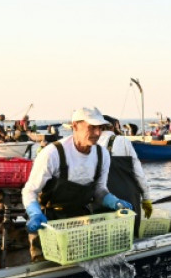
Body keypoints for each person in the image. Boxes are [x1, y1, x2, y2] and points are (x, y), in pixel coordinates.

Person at [22, 107, 133, 261]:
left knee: (83, 263)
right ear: (74, 126)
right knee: (45, 267)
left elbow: (99, 190)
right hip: (48, 224)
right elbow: (30, 191)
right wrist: (34, 214)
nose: (98, 133)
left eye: (100, 128)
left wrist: (114, 202)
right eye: (91, 127)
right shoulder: (53, 153)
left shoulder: (102, 155)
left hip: (80, 221)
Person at [99, 115, 152, 234]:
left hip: (100, 200)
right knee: (130, 236)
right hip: (127, 197)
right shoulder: (122, 141)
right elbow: (138, 173)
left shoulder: (89, 145)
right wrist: (146, 198)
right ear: (113, 126)